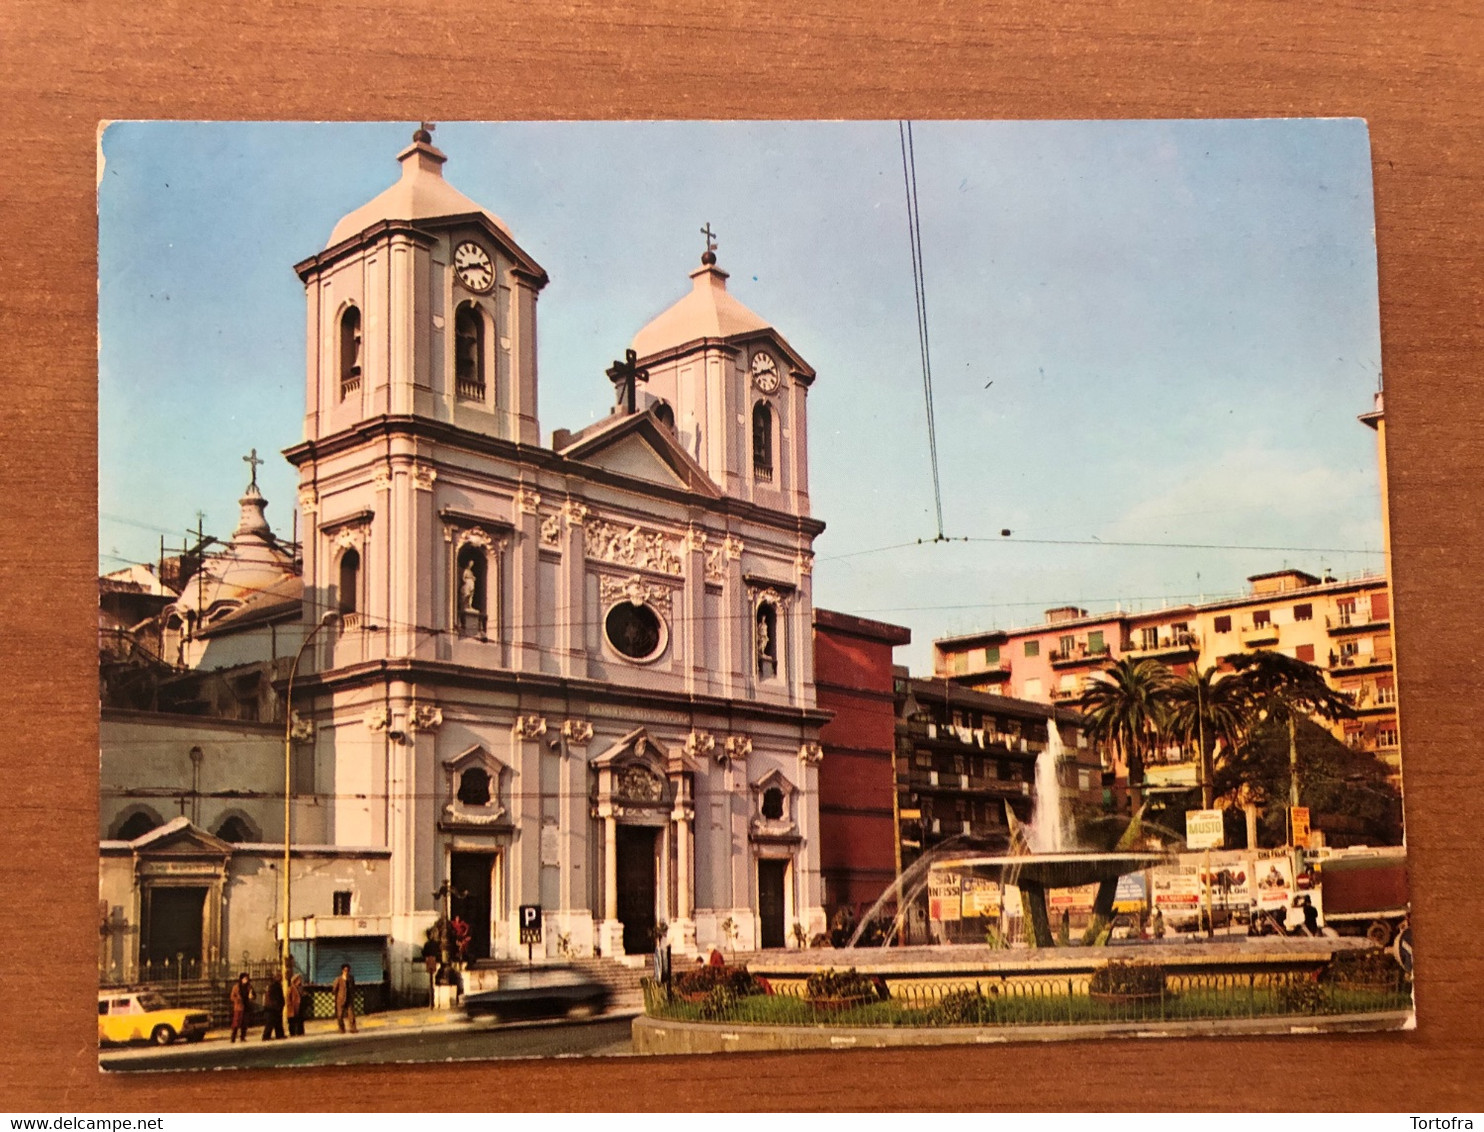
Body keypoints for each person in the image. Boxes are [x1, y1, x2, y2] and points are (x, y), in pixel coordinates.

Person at [332, 963, 358, 1033]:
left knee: (351, 1015)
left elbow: (353, 987)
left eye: (348, 970)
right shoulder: (338, 979)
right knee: (340, 1015)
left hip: (349, 999)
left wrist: (353, 995)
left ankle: (353, 1028)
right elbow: (334, 989)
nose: (347, 972)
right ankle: (341, 1028)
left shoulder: (351, 978)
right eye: (345, 970)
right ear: (342, 970)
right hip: (341, 999)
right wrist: (337, 996)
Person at [228, 972, 254, 1043]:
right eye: (245, 978)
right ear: (241, 979)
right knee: (236, 1023)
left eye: (247, 979)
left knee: (244, 1023)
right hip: (238, 1007)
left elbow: (253, 995)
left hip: (246, 1006)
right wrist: (237, 1000)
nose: (246, 980)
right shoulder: (236, 987)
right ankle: (233, 1037)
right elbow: (232, 997)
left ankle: (242, 1037)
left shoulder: (249, 986)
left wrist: (252, 996)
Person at [261, 976, 286, 1041]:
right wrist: (278, 1005)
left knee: (276, 1022)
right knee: (271, 1022)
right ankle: (267, 1036)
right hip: (273, 1007)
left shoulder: (273, 986)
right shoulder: (275, 987)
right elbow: (277, 997)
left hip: (273, 1007)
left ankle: (279, 1034)